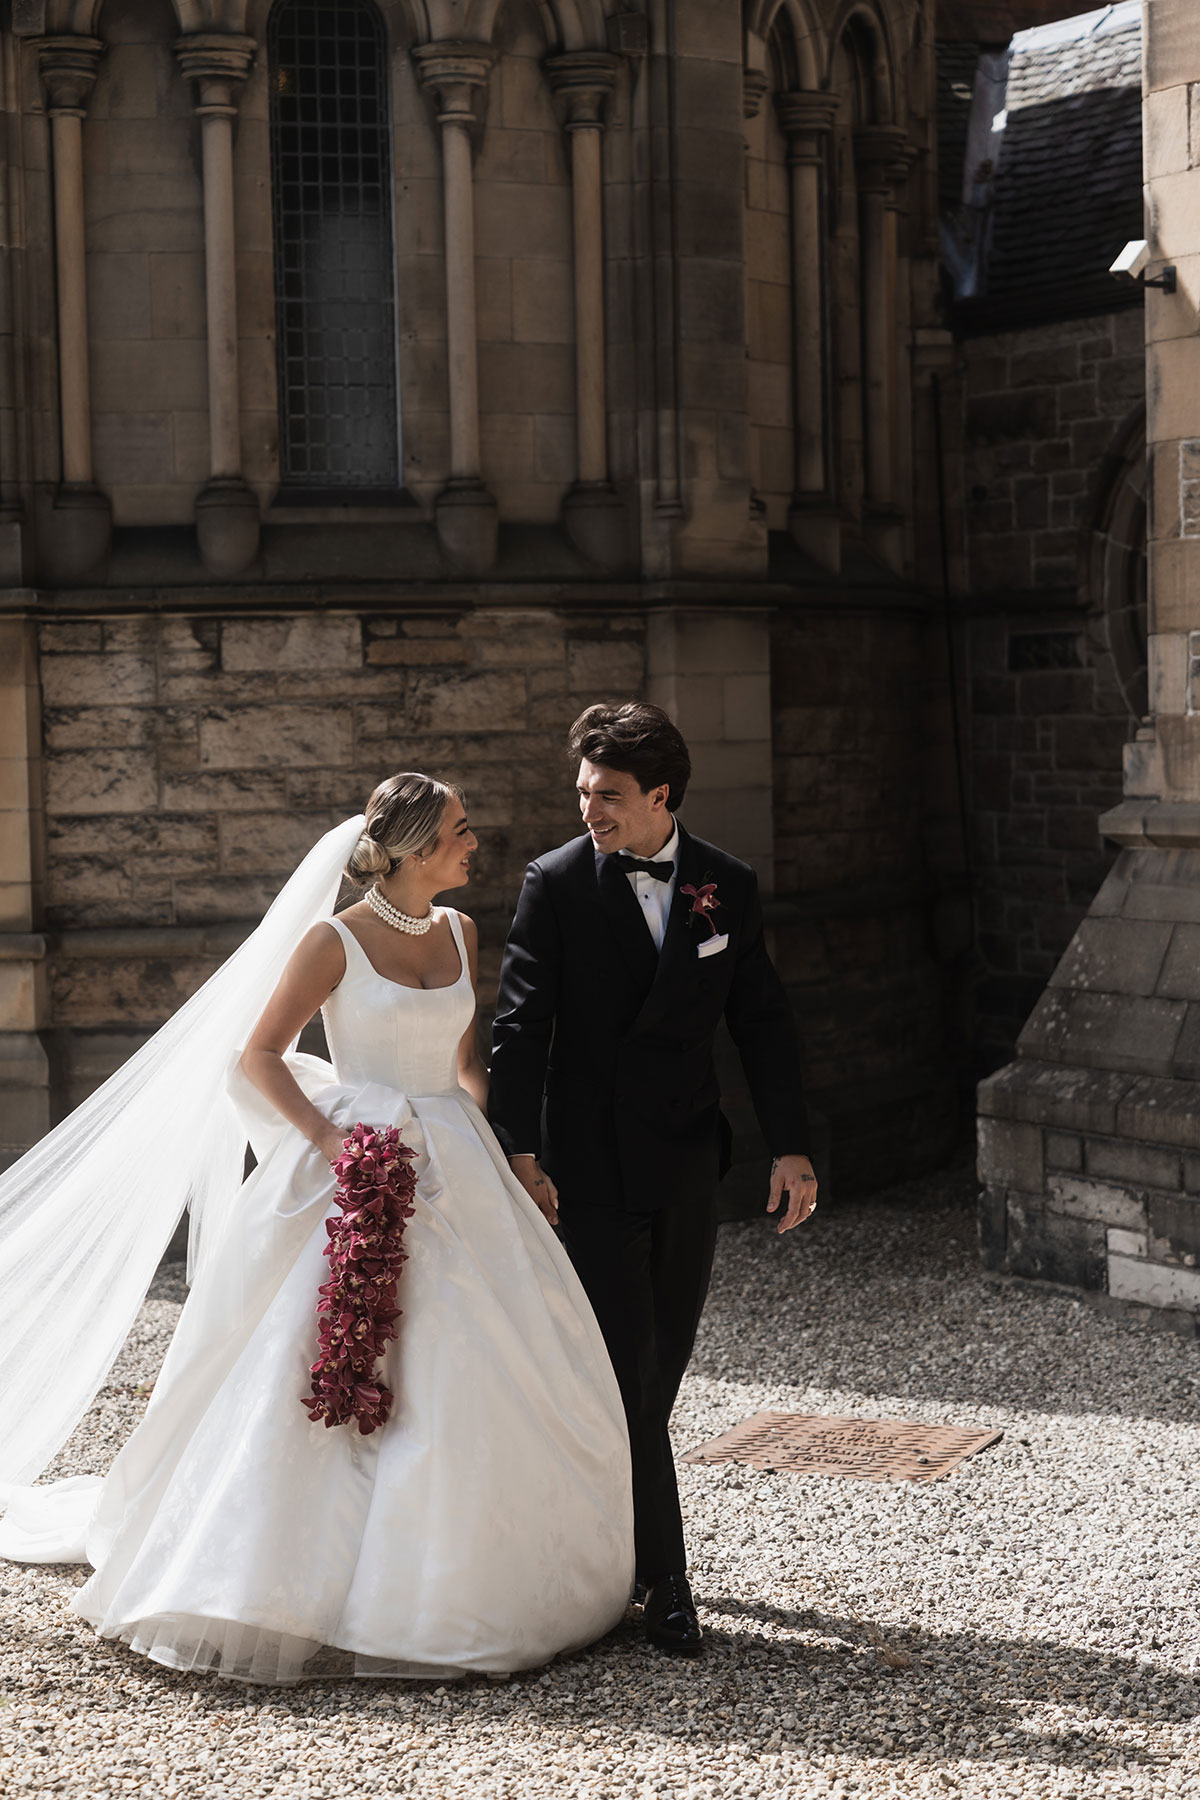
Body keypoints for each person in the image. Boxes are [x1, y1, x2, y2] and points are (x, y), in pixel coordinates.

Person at [0, 774, 633, 1683]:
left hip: (454, 1158)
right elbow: (257, 1055)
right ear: (415, 848)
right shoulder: (332, 941)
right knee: (315, 1353)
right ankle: (292, 1580)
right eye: (460, 831)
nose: (474, 843)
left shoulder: (460, 932)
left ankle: (475, 1573)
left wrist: (504, 1152)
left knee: (477, 1355)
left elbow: (463, 1064)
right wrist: (334, 1143)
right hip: (359, 1161)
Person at [489, 702, 817, 1656]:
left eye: (608, 796)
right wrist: (517, 1146)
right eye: (584, 792)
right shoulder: (554, 884)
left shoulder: (726, 884)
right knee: (629, 1371)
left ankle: (606, 1534)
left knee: (661, 1364)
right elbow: (520, 1026)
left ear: (660, 796)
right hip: (586, 1168)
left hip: (683, 1161)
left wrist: (790, 1144)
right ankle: (665, 1583)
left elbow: (761, 1019)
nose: (589, 810)